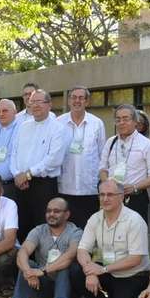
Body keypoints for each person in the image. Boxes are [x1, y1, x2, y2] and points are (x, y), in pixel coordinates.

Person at [71, 179, 150, 298]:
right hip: (108, 273)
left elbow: (136, 259)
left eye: (110, 195)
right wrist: (90, 271)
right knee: (76, 272)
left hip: (132, 276)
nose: (105, 199)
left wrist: (102, 270)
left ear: (121, 197)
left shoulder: (134, 220)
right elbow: (82, 250)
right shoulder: (95, 218)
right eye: (102, 194)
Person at [2, 198, 82, 298]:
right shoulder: (39, 230)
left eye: (56, 211)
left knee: (64, 265)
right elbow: (23, 251)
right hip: (43, 285)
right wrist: (28, 271)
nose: (51, 214)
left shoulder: (75, 232)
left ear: (67, 214)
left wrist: (43, 270)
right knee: (26, 262)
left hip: (68, 289)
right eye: (48, 211)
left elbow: (70, 255)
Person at [11, 90, 70, 242]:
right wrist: (17, 174)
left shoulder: (58, 128)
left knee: (42, 225)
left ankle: (41, 262)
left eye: (39, 101)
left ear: (49, 104)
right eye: (32, 102)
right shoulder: (23, 126)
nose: (35, 105)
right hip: (20, 184)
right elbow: (14, 153)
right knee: (21, 223)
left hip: (43, 186)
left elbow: (54, 159)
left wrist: (28, 174)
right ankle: (22, 261)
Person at [99, 105, 150, 223]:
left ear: (135, 122)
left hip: (135, 198)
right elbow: (102, 168)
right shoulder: (110, 142)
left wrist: (134, 187)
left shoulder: (147, 144)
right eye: (118, 119)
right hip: (112, 197)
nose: (121, 122)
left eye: (125, 119)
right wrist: (108, 184)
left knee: (135, 237)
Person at [57, 86, 106, 228]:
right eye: (74, 97)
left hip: (89, 188)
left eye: (81, 98)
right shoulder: (58, 123)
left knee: (88, 229)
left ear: (87, 101)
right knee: (65, 229)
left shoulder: (97, 123)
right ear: (68, 100)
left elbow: (102, 155)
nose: (77, 101)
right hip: (64, 187)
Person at [0, 99, 19, 199]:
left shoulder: (21, 131)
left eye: (5, 111)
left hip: (13, 185)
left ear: (15, 112)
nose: (1, 114)